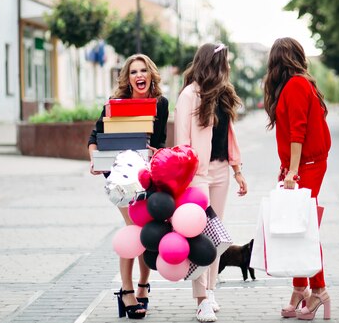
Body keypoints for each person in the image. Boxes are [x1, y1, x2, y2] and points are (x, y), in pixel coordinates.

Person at [87, 54, 169, 319]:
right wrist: (94, 159)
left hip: (146, 175)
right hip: (120, 176)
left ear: (150, 74)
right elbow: (94, 136)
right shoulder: (115, 104)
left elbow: (161, 142)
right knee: (133, 229)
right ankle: (126, 290)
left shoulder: (161, 104)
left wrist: (157, 152)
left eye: (143, 70)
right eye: (133, 72)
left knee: (147, 232)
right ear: (128, 78)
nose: (139, 75)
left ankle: (143, 286)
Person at [174, 42, 248, 322]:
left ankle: (212, 289)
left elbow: (229, 135)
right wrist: (184, 178)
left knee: (215, 237)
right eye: (225, 62)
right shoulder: (189, 95)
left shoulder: (224, 94)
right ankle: (201, 298)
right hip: (197, 175)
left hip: (221, 172)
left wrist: (237, 170)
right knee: (200, 237)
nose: (228, 66)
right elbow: (182, 141)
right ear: (213, 64)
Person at [263, 37, 332, 321]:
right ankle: (301, 287)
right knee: (298, 227)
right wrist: (288, 168)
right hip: (304, 164)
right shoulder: (297, 84)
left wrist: (292, 171)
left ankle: (318, 290)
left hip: (308, 165)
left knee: (304, 229)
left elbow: (298, 132)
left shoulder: (297, 85)